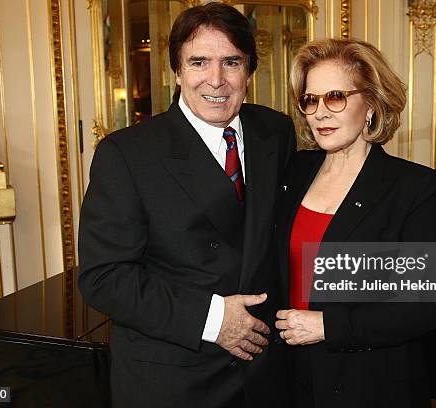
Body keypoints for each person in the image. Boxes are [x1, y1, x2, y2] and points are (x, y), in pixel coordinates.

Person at [78, 3, 296, 407]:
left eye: (231, 62)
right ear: (176, 72)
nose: (216, 80)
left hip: (264, 374)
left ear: (250, 70)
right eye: (199, 62)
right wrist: (213, 320)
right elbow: (104, 277)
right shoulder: (126, 154)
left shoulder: (275, 131)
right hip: (175, 380)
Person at [274, 38, 436, 408]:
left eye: (335, 96)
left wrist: (328, 326)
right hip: (292, 375)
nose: (320, 112)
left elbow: (429, 305)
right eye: (310, 100)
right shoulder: (294, 170)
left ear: (370, 103)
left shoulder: (414, 187)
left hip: (370, 382)